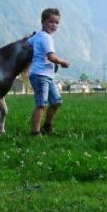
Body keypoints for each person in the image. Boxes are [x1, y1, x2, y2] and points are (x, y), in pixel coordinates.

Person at [29, 7, 71, 135]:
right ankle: (35, 133)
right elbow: (51, 56)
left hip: (48, 75)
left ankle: (47, 126)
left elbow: (26, 43)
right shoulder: (46, 38)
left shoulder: (37, 36)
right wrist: (61, 62)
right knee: (41, 104)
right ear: (43, 21)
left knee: (57, 102)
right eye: (50, 21)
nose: (54, 25)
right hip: (40, 75)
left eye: (56, 22)